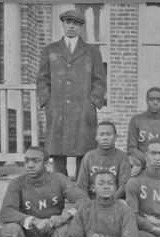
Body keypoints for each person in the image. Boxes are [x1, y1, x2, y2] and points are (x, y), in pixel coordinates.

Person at [37, 10, 107, 177]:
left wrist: (92, 103)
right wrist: (47, 102)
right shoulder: (50, 50)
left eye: (75, 24)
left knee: (83, 151)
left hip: (83, 109)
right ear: (63, 24)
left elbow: (100, 80)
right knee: (58, 153)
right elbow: (42, 79)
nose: (71, 26)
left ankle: (82, 190)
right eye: (68, 22)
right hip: (57, 109)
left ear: (81, 27)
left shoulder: (91, 51)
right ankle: (60, 187)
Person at [127, 87, 160, 175]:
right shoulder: (136, 120)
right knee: (128, 161)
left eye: (158, 100)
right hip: (142, 160)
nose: (155, 103)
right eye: (152, 99)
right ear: (147, 101)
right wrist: (147, 158)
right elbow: (131, 148)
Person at [77, 121, 131, 199]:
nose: (105, 138)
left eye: (109, 134)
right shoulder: (89, 157)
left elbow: (124, 185)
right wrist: (88, 204)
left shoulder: (122, 157)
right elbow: (81, 186)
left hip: (115, 200)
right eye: (101, 134)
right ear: (96, 137)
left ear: (115, 137)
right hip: (92, 200)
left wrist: (109, 201)